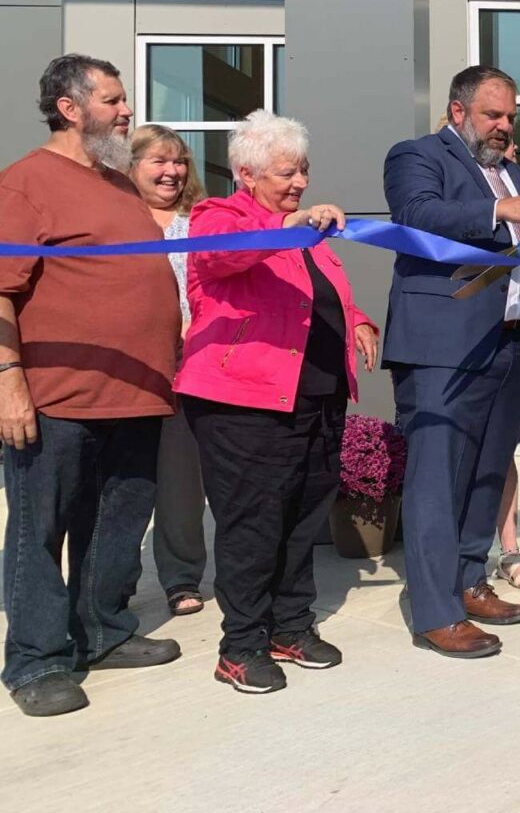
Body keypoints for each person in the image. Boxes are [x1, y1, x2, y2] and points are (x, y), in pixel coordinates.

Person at [0, 56, 183, 718]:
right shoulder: (25, 183)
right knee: (40, 531)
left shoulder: (117, 184)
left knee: (116, 524)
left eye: (124, 98)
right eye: (113, 100)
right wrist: (7, 382)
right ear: (70, 108)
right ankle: (37, 661)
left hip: (135, 393)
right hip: (58, 395)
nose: (126, 110)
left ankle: (102, 631)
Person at [175, 110, 377, 694]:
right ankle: (240, 646)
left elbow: (320, 298)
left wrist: (357, 319)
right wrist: (294, 224)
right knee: (252, 523)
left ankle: (290, 626)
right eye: (287, 173)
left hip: (315, 397)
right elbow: (221, 258)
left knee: (301, 519)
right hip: (244, 401)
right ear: (247, 173)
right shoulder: (221, 217)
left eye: (303, 172)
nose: (299, 184)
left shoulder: (307, 232)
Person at [384, 66, 520, 659]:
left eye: (510, 115)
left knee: (488, 473)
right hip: (442, 347)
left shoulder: (513, 172)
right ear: (457, 111)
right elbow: (417, 216)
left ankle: (468, 580)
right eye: (492, 114)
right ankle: (435, 611)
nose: (502, 126)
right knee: (437, 478)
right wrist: (500, 211)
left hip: (510, 342)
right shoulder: (416, 155)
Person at [128, 125, 210, 616]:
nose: (172, 171)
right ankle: (114, 583)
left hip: (189, 360)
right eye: (159, 161)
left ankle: (181, 580)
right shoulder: (118, 221)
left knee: (182, 476)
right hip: (132, 362)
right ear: (132, 166)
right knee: (127, 476)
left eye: (179, 161)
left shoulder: (198, 220)